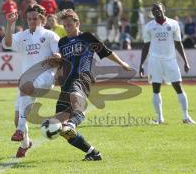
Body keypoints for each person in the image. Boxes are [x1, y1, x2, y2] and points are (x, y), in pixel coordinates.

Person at [46, 9, 132, 161]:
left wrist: (122, 63)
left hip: (82, 77)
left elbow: (106, 52)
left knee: (74, 103)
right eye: (65, 26)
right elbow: (63, 63)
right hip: (65, 82)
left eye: (70, 25)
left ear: (77, 23)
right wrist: (56, 75)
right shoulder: (63, 42)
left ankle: (75, 120)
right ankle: (93, 152)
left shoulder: (87, 37)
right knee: (58, 126)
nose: (67, 29)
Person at [2, 4, 60, 158]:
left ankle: (20, 131)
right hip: (27, 81)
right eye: (29, 18)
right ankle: (25, 144)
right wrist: (10, 24)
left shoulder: (50, 35)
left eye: (35, 18)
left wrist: (56, 57)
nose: (32, 21)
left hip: (46, 77)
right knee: (17, 118)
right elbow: (7, 43)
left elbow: (58, 56)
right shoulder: (23, 35)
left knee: (24, 83)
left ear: (43, 19)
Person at [139, 2, 196, 124]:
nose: (156, 12)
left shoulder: (174, 24)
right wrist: (141, 64)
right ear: (152, 13)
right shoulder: (149, 26)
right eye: (154, 10)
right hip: (155, 60)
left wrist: (186, 61)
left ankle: (186, 117)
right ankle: (159, 118)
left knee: (178, 87)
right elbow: (146, 46)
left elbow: (178, 43)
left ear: (163, 9)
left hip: (171, 60)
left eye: (158, 9)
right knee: (156, 89)